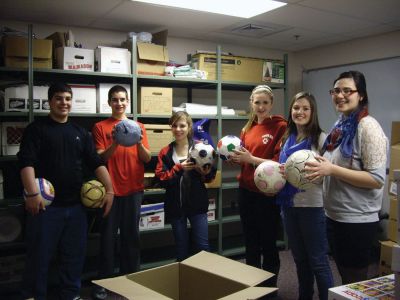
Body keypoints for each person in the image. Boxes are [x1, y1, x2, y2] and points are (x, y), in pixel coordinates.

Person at [18, 82, 114, 300]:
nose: (64, 103)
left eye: (68, 99)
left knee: (74, 257)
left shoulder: (80, 132)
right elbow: (26, 162)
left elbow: (96, 162)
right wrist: (32, 194)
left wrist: (110, 191)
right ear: (50, 101)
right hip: (45, 208)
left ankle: (71, 295)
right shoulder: (37, 129)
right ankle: (33, 296)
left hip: (76, 208)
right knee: (38, 258)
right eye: (59, 98)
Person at [307, 71, 387, 284]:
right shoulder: (340, 124)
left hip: (356, 219)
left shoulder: (368, 127)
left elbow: (376, 179)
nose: (340, 95)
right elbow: (329, 163)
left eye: (347, 91)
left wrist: (331, 170)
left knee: (354, 280)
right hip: (335, 215)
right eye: (336, 91)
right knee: (345, 276)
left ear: (360, 95)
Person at [91, 85, 151, 299]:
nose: (119, 103)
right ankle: (104, 283)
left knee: (131, 238)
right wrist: (117, 141)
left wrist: (137, 141)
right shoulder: (100, 127)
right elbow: (100, 159)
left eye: (123, 99)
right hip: (111, 192)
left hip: (134, 190)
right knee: (107, 239)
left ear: (128, 102)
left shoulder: (138, 126)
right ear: (109, 103)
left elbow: (146, 159)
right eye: (115, 100)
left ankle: (131, 280)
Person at [277, 92, 333, 300]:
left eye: (305, 108)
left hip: (312, 207)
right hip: (289, 207)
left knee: (318, 261)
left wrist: (304, 176)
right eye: (296, 108)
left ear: (312, 112)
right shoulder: (287, 137)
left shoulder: (321, 138)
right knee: (300, 260)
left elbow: (328, 174)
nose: (300, 112)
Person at [230, 85, 287, 287]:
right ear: (251, 104)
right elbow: (246, 158)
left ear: (271, 104)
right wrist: (238, 159)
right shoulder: (248, 128)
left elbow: (278, 162)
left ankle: (270, 288)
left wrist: (250, 158)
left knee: (268, 242)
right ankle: (252, 286)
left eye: (265, 102)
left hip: (267, 194)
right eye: (257, 102)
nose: (261, 107)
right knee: (250, 241)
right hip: (246, 191)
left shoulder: (281, 127)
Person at [155, 111, 216, 261]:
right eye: (174, 125)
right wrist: (178, 168)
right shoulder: (166, 152)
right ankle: (183, 281)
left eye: (182, 125)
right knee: (181, 249)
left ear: (189, 127)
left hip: (198, 205)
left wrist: (204, 173)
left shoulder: (201, 149)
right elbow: (161, 179)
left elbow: (211, 176)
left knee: (203, 247)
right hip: (176, 207)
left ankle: (206, 281)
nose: (178, 129)